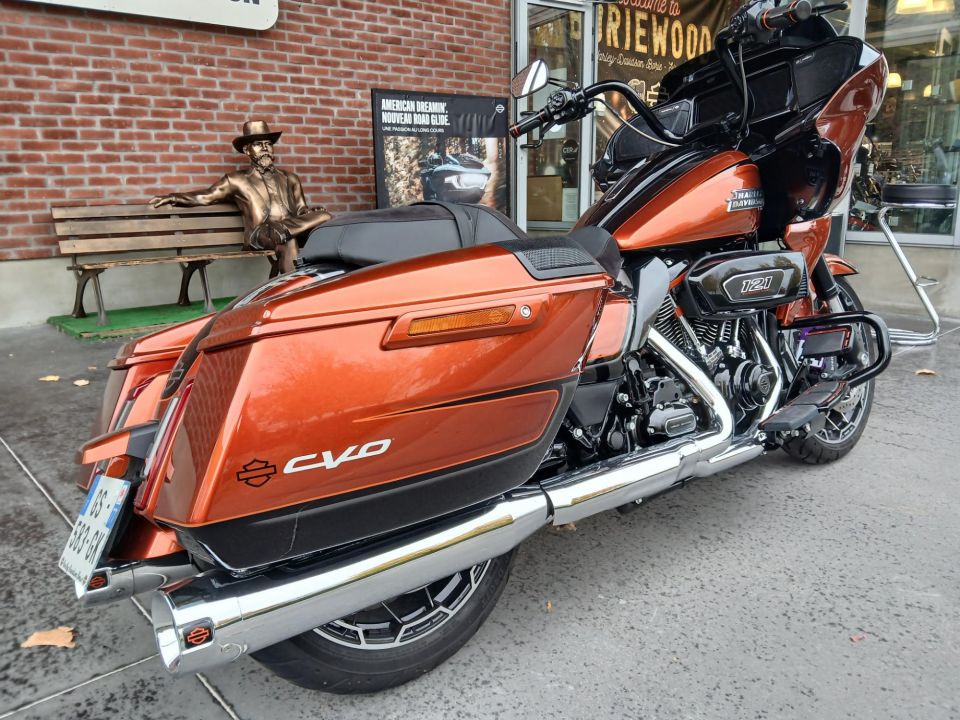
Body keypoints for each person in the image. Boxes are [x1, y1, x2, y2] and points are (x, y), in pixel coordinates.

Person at [150, 121, 331, 274]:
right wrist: (174, 198)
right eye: (258, 144)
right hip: (261, 233)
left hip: (288, 228)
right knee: (286, 238)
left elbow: (301, 210)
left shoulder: (290, 178)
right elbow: (206, 196)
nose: (265, 148)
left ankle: (283, 231)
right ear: (247, 150)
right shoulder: (236, 180)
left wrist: (311, 212)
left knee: (325, 216)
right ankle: (293, 291)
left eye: (268, 143)